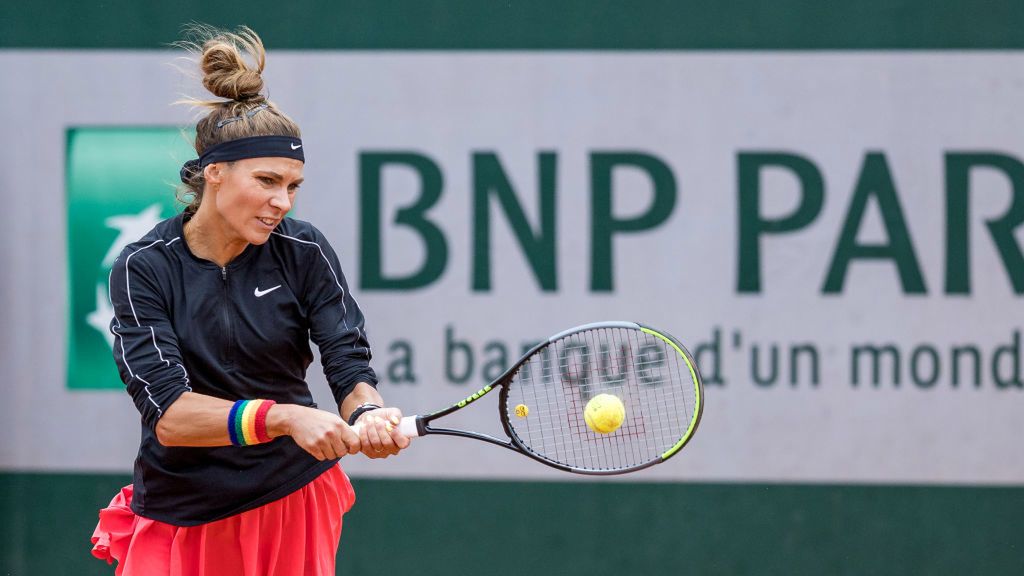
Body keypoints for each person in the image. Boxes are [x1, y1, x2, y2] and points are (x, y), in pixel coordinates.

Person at [90, 25, 408, 575]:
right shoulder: (145, 266)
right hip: (180, 509)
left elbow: (346, 360)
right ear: (214, 172)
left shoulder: (304, 250)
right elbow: (171, 415)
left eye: (293, 186)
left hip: (291, 498)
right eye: (266, 180)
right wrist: (284, 418)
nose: (281, 201)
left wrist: (370, 412)